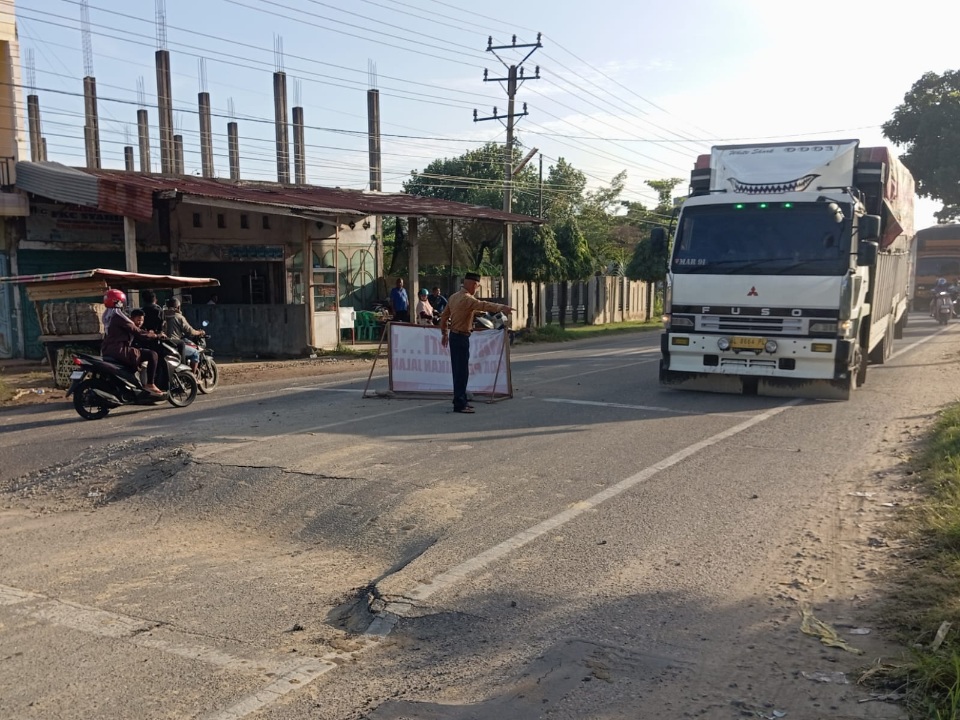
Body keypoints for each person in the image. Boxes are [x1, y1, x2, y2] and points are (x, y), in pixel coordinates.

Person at [439, 272, 514, 414]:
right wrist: (502, 308)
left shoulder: (454, 297)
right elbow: (483, 305)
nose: (476, 290)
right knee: (462, 372)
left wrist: (444, 333)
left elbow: (444, 317)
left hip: (454, 336)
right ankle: (460, 404)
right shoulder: (467, 299)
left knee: (458, 371)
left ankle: (460, 400)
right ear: (473, 284)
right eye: (477, 286)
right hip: (461, 338)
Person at [100, 289, 165, 396]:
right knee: (152, 354)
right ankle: (150, 384)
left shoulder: (108, 316)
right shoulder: (119, 317)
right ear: (119, 302)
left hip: (108, 349)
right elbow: (137, 332)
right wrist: (156, 335)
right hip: (120, 350)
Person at [163, 297, 205, 372]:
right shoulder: (179, 317)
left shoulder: (163, 315)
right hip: (175, 344)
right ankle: (193, 376)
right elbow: (190, 331)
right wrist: (199, 332)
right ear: (178, 307)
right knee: (195, 353)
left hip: (164, 344)